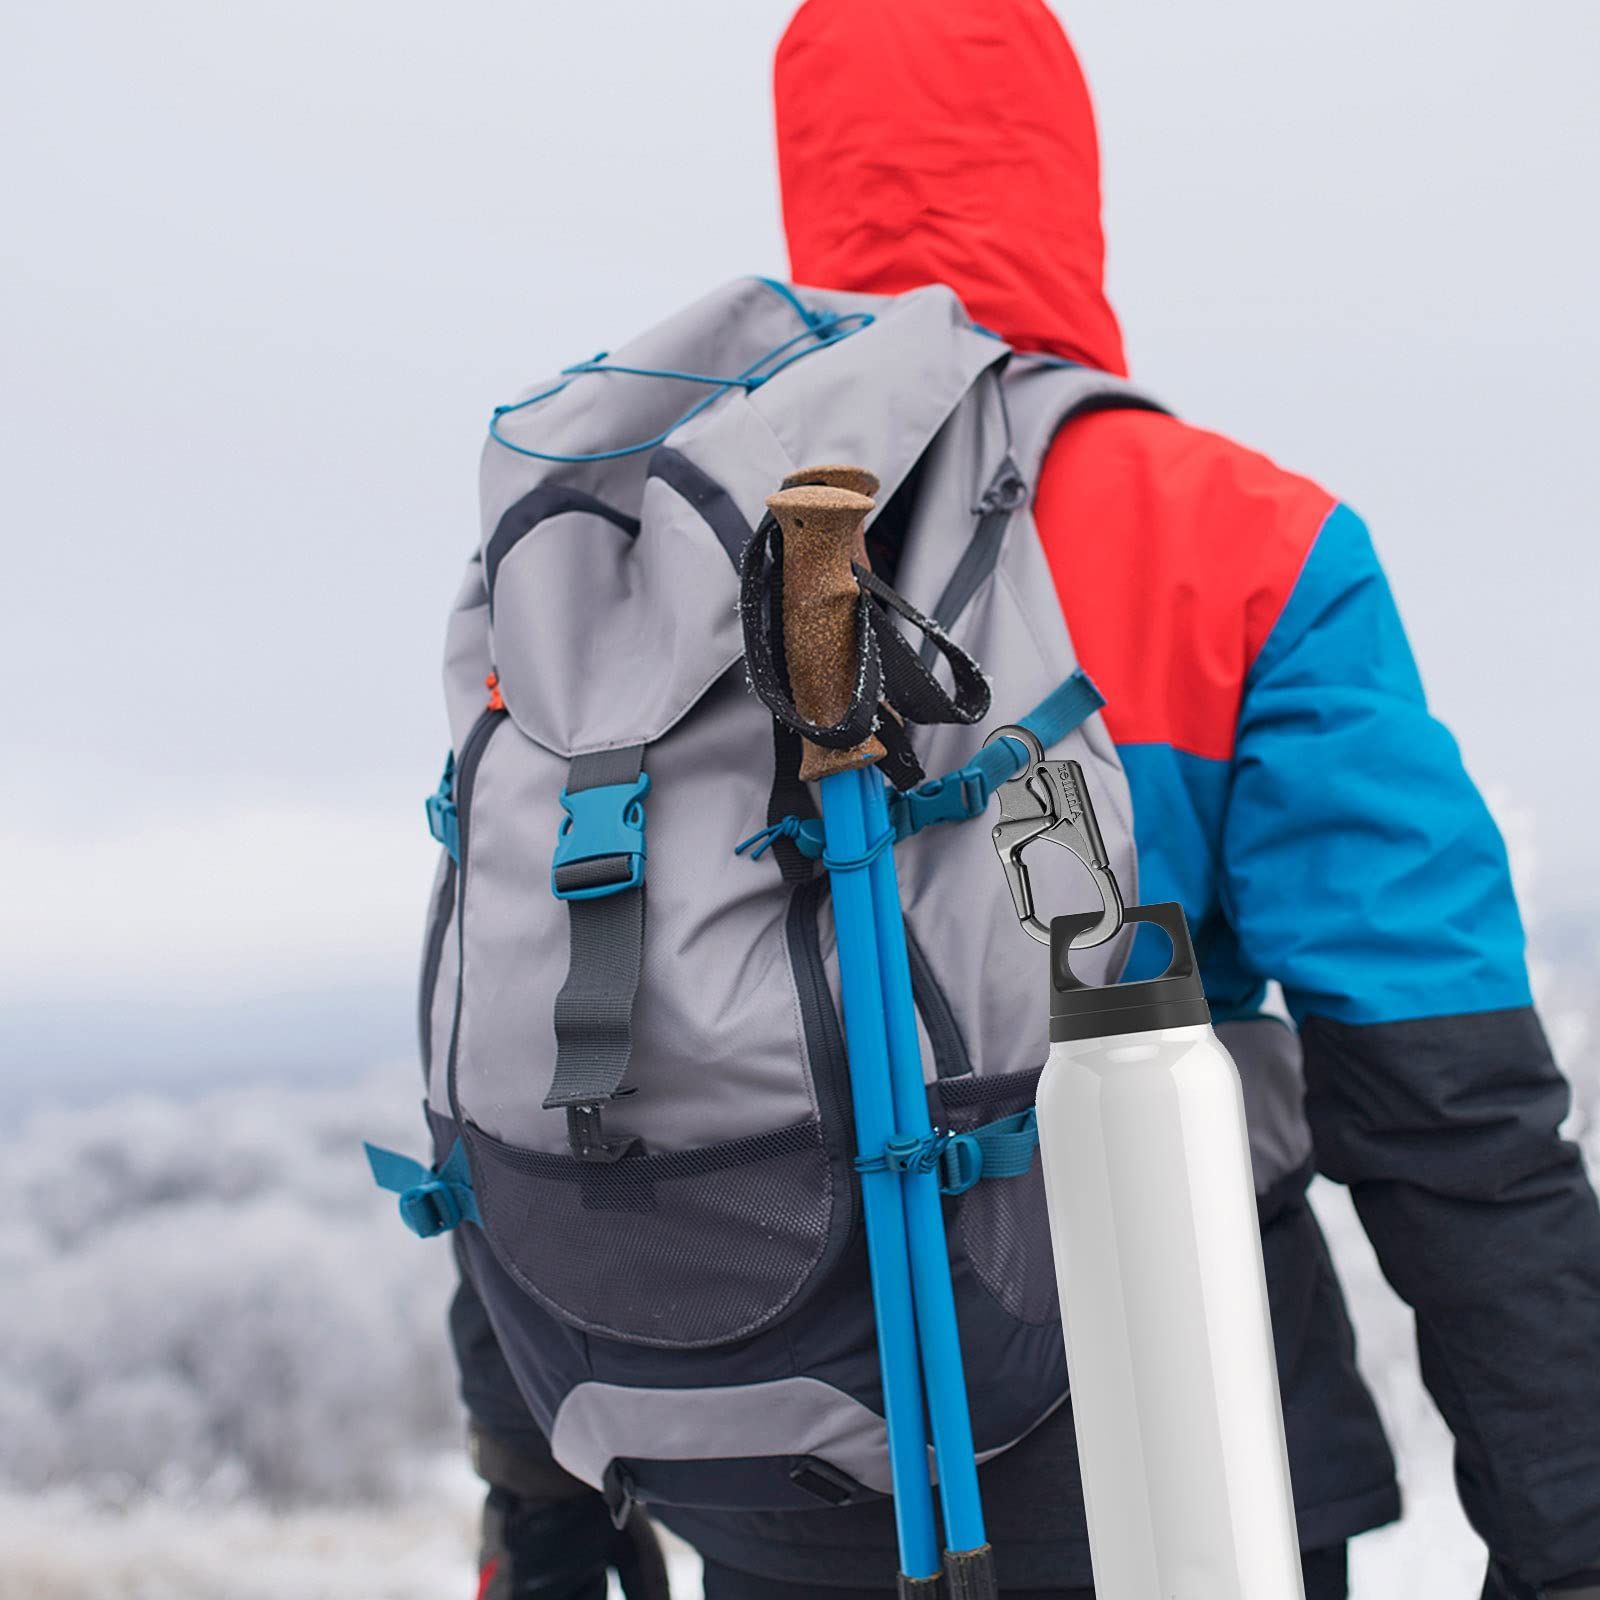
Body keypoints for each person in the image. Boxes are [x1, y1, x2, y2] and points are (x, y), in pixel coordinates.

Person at [454, 2, 1600, 1595]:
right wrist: (1567, 1544)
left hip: (763, 1477)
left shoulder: (665, 557)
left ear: (811, 176)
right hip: (1184, 1487)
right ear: (1068, 166)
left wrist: (544, 1518)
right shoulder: (1238, 541)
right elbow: (1448, 1102)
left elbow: (551, 1030)